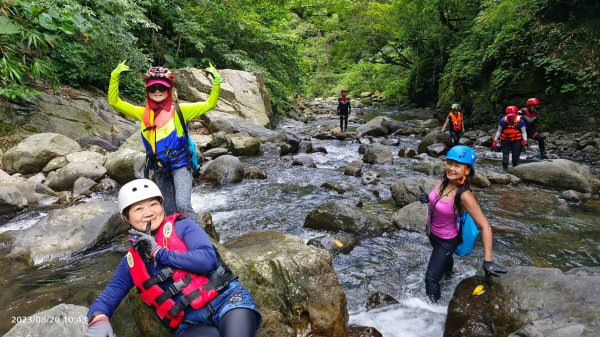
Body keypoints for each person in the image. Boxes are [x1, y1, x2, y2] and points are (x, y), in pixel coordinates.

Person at [85, 179, 261, 337]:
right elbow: (106, 299)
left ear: (162, 206)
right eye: (139, 208)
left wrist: (159, 252)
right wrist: (98, 318)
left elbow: (207, 261)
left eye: (153, 204)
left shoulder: (183, 226)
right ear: (126, 218)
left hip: (227, 301)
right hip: (191, 324)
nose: (148, 212)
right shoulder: (130, 262)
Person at [108, 60, 222, 218]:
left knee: (183, 205)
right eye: (152, 88)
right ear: (147, 91)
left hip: (181, 165)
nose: (157, 91)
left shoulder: (181, 110)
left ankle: (197, 239)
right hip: (160, 168)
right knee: (168, 210)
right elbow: (114, 101)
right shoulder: (142, 113)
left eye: (161, 87)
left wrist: (217, 81)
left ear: (169, 90)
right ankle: (175, 239)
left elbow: (210, 104)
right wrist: (115, 77)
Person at [419, 146, 506, 303]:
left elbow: (485, 226)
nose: (451, 168)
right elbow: (440, 203)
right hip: (432, 232)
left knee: (430, 279)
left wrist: (488, 261)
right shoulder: (444, 180)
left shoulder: (464, 196)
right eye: (450, 163)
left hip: (446, 240)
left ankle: (431, 312)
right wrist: (429, 199)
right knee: (444, 264)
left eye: (457, 165)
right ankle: (449, 276)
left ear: (466, 170)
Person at [491, 106, 528, 171]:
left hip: (516, 140)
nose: (511, 117)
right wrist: (495, 141)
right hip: (505, 140)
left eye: (512, 115)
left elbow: (524, 132)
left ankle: (515, 169)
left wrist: (525, 141)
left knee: (515, 155)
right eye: (509, 116)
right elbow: (499, 131)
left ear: (516, 114)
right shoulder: (502, 121)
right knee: (505, 155)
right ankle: (505, 170)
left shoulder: (521, 121)